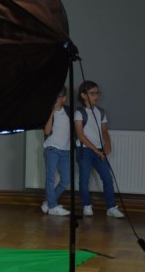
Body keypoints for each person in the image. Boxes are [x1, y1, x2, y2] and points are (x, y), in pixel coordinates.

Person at [74, 80, 125, 218]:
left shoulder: (101, 112)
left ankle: (111, 207)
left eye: (97, 93)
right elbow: (80, 135)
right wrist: (95, 150)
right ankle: (86, 205)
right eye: (92, 93)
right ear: (83, 95)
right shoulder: (79, 113)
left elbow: (104, 130)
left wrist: (107, 143)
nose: (96, 96)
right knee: (84, 179)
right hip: (84, 150)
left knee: (107, 178)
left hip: (99, 149)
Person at [41, 87, 71, 216]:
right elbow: (47, 132)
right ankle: (53, 206)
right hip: (52, 149)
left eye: (58, 97)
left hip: (65, 150)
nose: (55, 99)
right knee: (50, 178)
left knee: (65, 180)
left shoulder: (68, 111)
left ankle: (49, 202)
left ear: (64, 98)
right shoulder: (48, 112)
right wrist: (52, 112)